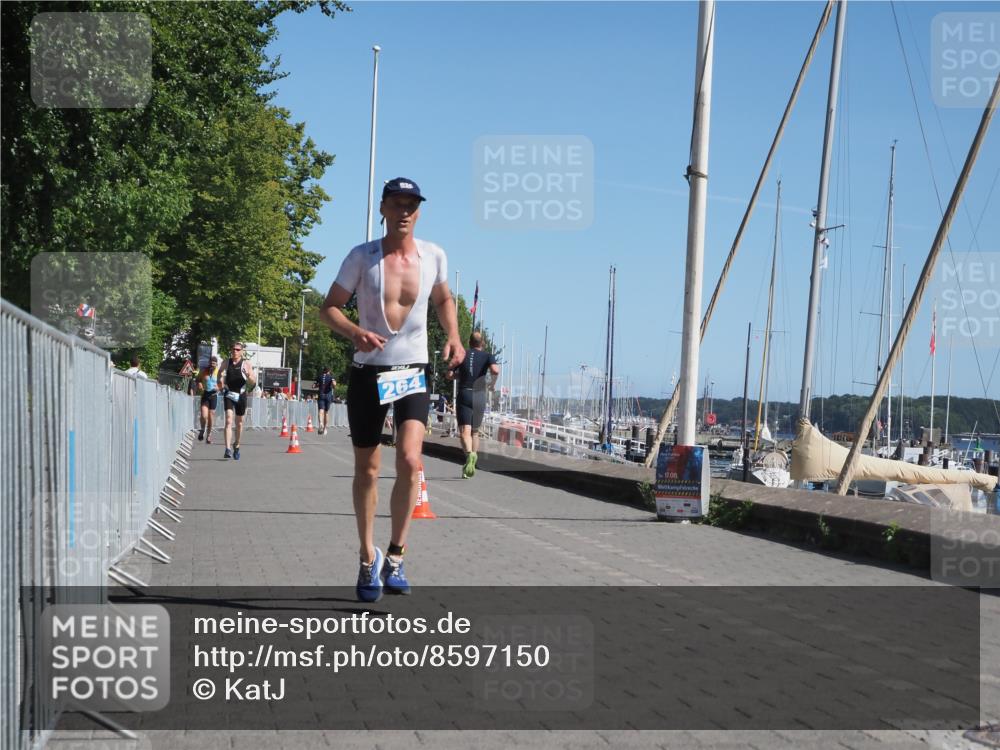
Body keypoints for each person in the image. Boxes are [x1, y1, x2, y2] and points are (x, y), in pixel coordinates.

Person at [320, 177, 464, 603]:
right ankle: (368, 557)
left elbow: (443, 300)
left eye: (411, 205)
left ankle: (396, 555)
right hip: (369, 370)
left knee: (410, 460)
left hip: (411, 370)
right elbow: (329, 308)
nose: (404, 211)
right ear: (382, 208)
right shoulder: (361, 257)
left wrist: (454, 336)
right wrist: (355, 332)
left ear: (418, 212)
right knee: (367, 469)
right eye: (397, 204)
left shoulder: (434, 255)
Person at [447, 331, 500, 478]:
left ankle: (469, 455)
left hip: (465, 393)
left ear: (469, 342)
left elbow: (449, 374)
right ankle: (474, 457)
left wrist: (460, 375)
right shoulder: (488, 356)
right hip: (479, 395)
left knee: (465, 432)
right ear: (482, 343)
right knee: (475, 432)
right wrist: (491, 384)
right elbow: (495, 370)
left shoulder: (461, 354)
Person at [217, 342, 256, 460]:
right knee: (229, 420)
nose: (235, 351)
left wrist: (248, 375)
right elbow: (219, 373)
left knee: (239, 423)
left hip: (241, 395)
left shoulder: (246, 364)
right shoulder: (226, 362)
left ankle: (237, 444)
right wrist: (220, 383)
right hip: (229, 394)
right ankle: (227, 449)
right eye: (233, 349)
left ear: (242, 352)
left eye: (238, 350)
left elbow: (253, 381)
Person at [196, 356, 220, 443]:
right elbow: (198, 379)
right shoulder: (204, 371)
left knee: (211, 416)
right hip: (205, 394)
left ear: (216, 364)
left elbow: (222, 383)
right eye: (211, 363)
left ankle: (209, 435)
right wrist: (199, 384)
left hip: (214, 395)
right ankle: (202, 430)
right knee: (204, 415)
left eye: (214, 364)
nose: (212, 365)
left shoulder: (219, 372)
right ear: (209, 363)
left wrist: (219, 387)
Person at [314, 366, 336, 435]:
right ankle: (325, 428)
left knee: (321, 410)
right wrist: (333, 386)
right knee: (326, 413)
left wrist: (319, 385)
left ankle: (320, 423)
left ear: (323, 371)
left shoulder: (319, 377)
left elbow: (313, 386)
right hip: (328, 396)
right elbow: (334, 384)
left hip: (321, 395)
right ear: (329, 371)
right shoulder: (331, 377)